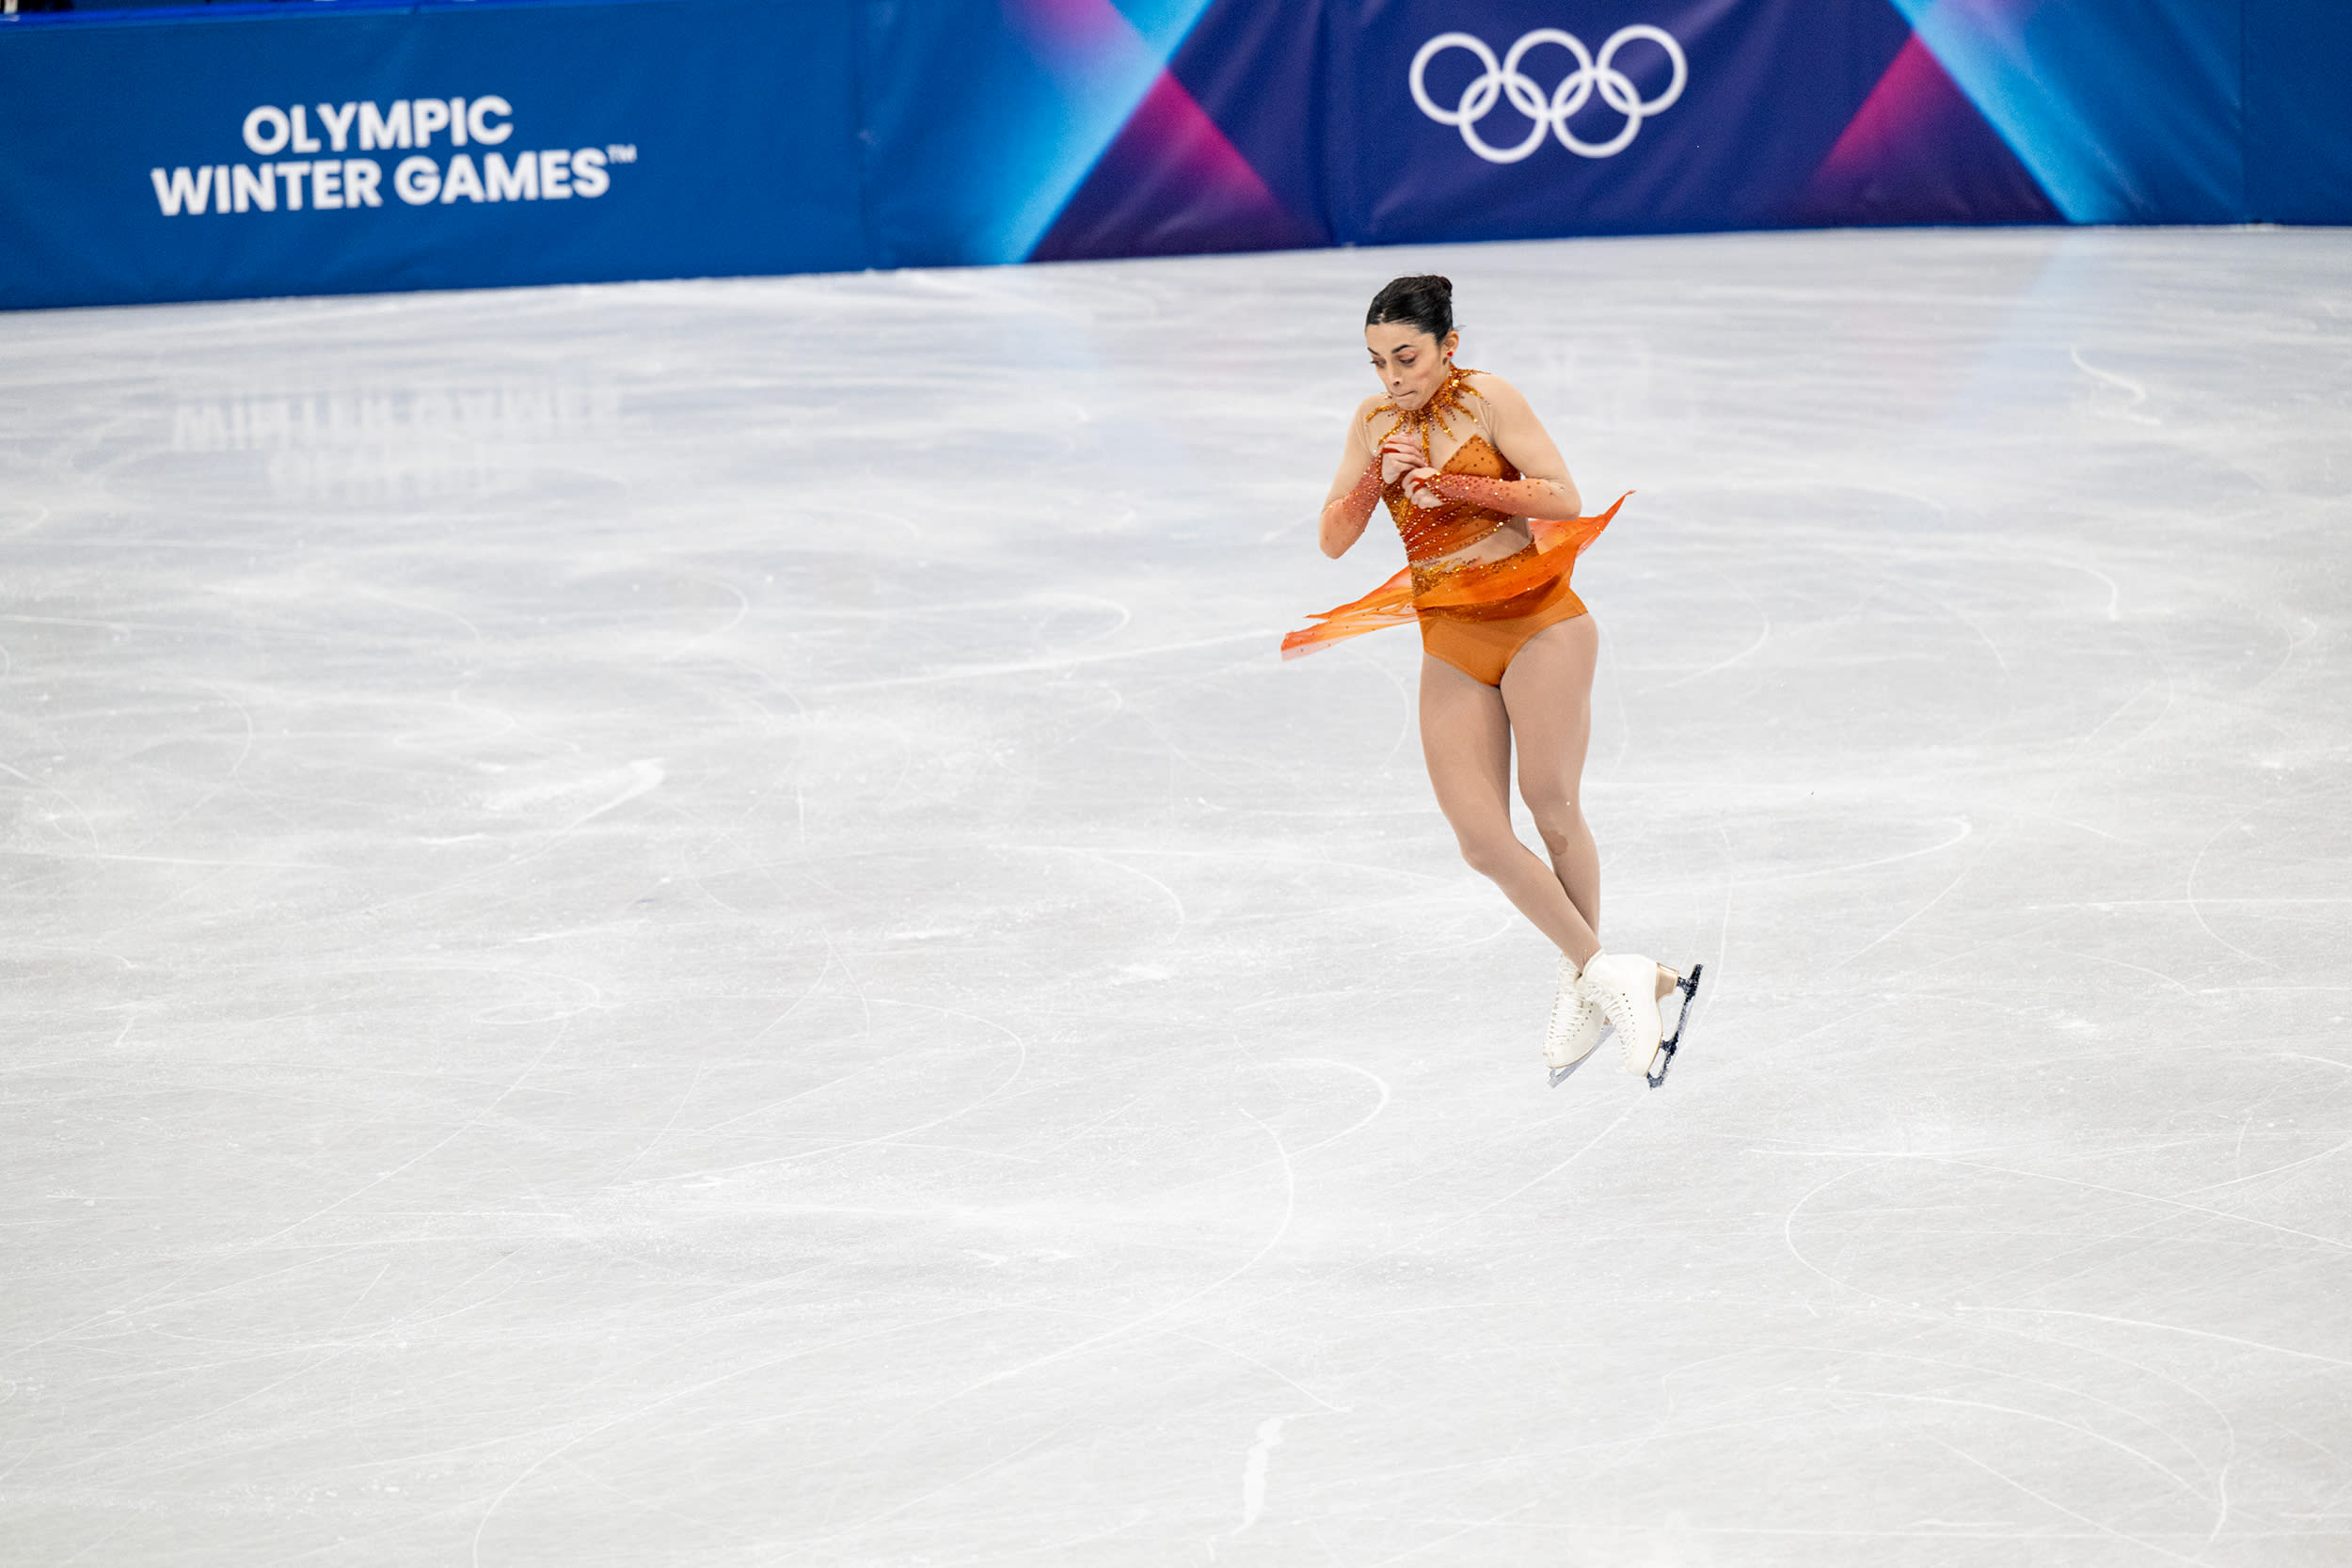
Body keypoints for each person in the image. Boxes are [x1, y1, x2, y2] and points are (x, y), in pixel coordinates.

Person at [1284, 275, 1700, 1085]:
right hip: (1451, 643)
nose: (1392, 378)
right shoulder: (1372, 424)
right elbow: (1333, 539)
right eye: (1376, 363)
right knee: (1480, 838)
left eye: (1406, 357)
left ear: (1448, 345)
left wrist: (1450, 483)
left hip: (1541, 625)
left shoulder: (1489, 399)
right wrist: (1378, 474)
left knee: (1551, 807)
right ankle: (1614, 974)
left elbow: (1562, 495)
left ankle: (1592, 982)